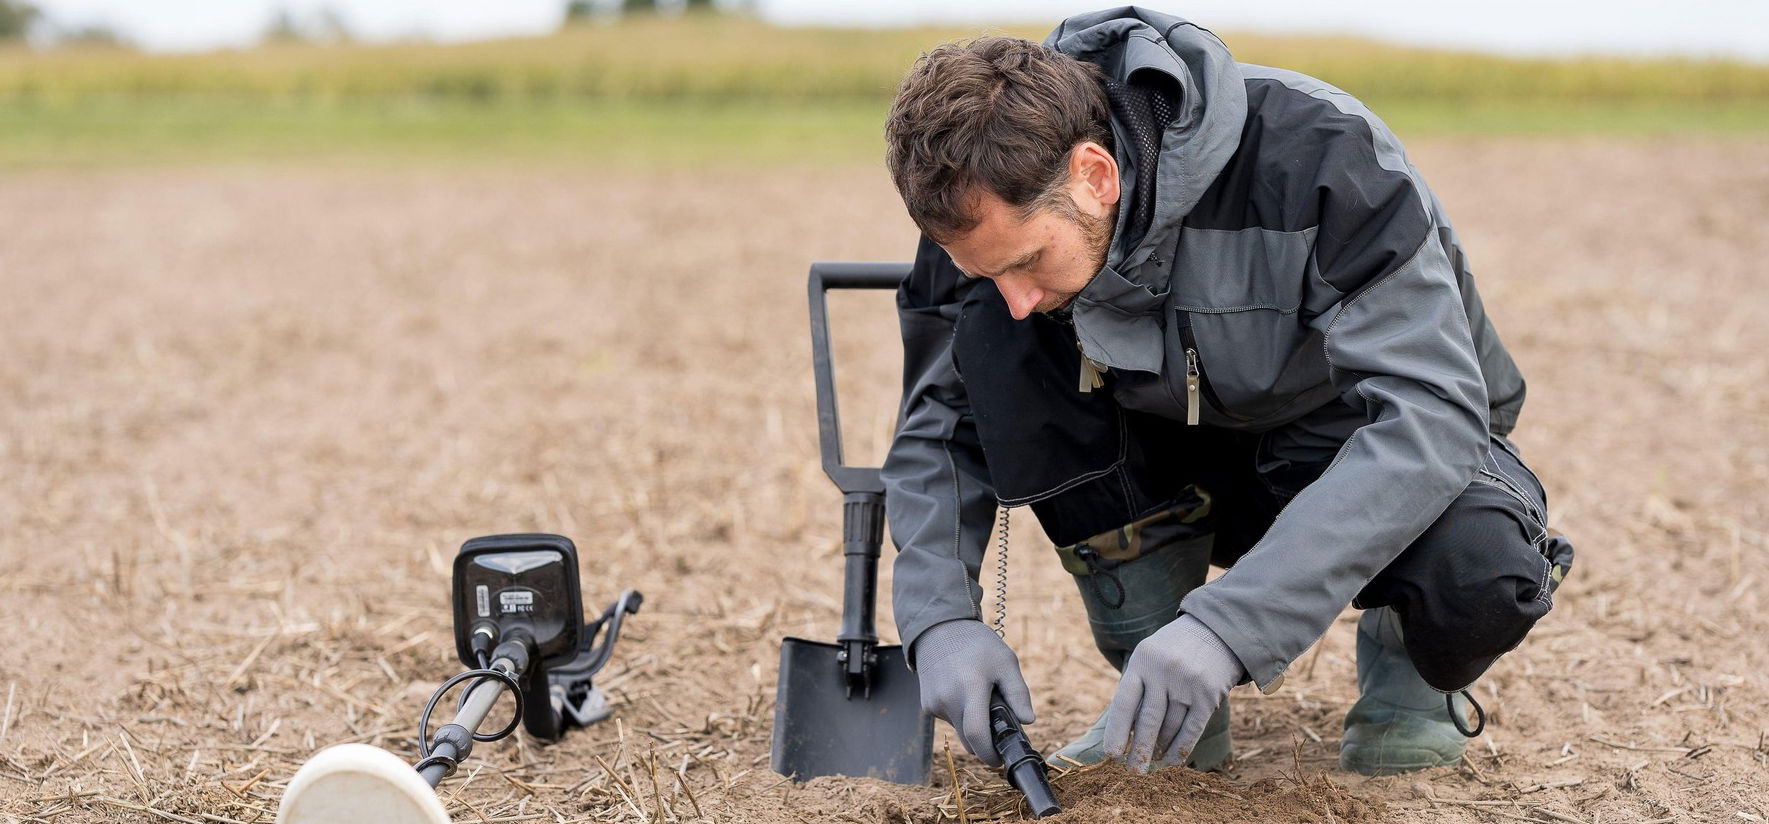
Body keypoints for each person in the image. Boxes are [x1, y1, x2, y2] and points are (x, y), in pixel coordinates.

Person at [878, 7, 1575, 777]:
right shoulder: (977, 206)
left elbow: (1431, 419)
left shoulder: (1322, 159)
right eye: (985, 270)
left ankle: (1405, 676)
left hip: (1347, 453)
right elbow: (940, 421)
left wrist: (1226, 629)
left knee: (1481, 569)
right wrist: (938, 619)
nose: (1012, 296)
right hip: (1177, 459)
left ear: (1094, 175)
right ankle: (1173, 717)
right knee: (1005, 354)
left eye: (1027, 259)